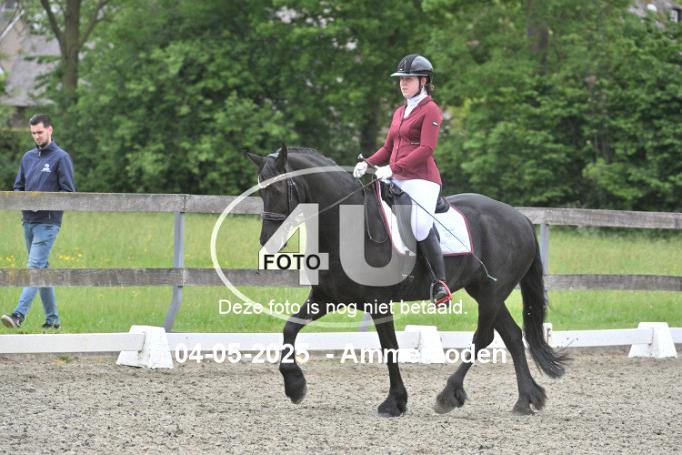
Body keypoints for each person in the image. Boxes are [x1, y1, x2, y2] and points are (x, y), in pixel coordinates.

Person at [353, 54, 451, 305]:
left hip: (422, 180)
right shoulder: (399, 111)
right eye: (401, 79)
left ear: (423, 80)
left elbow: (426, 149)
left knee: (419, 226)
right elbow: (388, 148)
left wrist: (392, 168)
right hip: (396, 176)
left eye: (408, 79)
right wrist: (368, 163)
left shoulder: (431, 110)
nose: (403, 83)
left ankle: (440, 283)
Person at [1, 114, 75, 329]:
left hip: (48, 222)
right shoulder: (28, 157)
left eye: (40, 132)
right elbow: (18, 187)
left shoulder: (61, 158)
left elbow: (69, 192)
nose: (36, 136)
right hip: (28, 221)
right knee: (42, 268)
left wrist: (43, 203)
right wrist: (24, 202)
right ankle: (53, 320)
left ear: (50, 130)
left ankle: (18, 315)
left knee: (34, 267)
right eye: (33, 133)